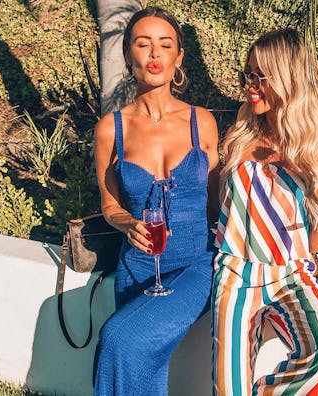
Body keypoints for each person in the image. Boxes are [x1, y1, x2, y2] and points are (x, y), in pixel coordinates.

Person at [212, 28, 318, 395]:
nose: (250, 84)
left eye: (260, 76)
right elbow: (217, 209)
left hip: (290, 274)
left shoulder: (317, 146)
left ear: (287, 79)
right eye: (247, 74)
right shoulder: (239, 134)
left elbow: (315, 240)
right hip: (235, 275)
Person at [92, 6, 219, 395]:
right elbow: (110, 205)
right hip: (138, 267)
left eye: (165, 45)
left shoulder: (203, 122)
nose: (154, 54)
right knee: (141, 366)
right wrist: (126, 223)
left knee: (120, 338)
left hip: (196, 266)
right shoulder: (111, 129)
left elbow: (218, 205)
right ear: (128, 54)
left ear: (179, 56)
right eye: (143, 44)